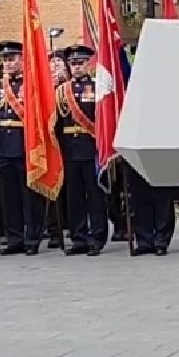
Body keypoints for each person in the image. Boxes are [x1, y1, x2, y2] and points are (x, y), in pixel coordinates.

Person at [0, 41, 46, 255]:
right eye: (5, 60)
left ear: (22, 60)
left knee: (29, 196)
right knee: (9, 197)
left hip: (25, 145)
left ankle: (32, 238)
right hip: (4, 147)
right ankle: (14, 238)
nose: (8, 63)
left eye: (12, 59)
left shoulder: (32, 83)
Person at [55, 44, 107, 256]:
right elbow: (57, 123)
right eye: (72, 63)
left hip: (91, 147)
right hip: (69, 149)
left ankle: (97, 237)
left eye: (80, 63)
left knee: (95, 195)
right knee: (74, 196)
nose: (76, 67)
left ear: (88, 64)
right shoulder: (61, 91)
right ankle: (79, 238)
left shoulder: (97, 88)